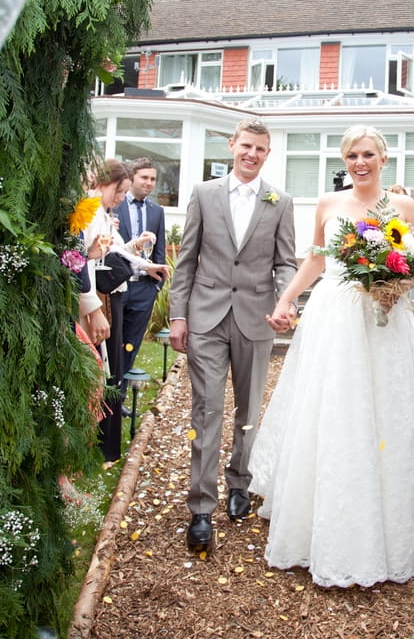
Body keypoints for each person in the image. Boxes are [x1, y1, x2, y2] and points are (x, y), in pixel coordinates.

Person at [248, 125, 414, 588]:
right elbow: (315, 258)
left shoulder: (404, 207)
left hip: (385, 324)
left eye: (368, 154)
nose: (360, 162)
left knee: (383, 416)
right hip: (334, 320)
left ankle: (386, 529)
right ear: (344, 161)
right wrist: (286, 299)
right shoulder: (329, 205)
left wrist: (396, 286)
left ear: (384, 159)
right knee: (333, 413)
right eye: (352, 155)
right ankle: (321, 524)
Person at [168, 119, 297, 553]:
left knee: (248, 409)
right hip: (205, 317)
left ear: (267, 153)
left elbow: (286, 262)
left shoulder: (280, 202)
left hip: (255, 318)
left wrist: (285, 300)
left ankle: (240, 481)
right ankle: (201, 508)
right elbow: (186, 260)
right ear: (232, 146)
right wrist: (178, 316)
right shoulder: (204, 194)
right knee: (206, 411)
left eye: (260, 148)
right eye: (246, 146)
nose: (251, 154)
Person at [85, 159, 169, 464]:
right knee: (106, 369)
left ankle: (105, 444)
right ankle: (99, 442)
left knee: (116, 367)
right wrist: (93, 307)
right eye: (118, 192)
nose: (120, 199)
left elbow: (119, 249)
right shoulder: (93, 211)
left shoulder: (106, 213)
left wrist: (149, 265)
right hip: (103, 298)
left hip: (123, 295)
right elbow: (86, 257)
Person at [116, 157, 166, 411]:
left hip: (144, 289)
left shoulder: (157, 211)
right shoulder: (115, 205)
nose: (149, 183)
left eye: (153, 179)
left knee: (131, 344)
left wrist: (156, 288)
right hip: (117, 286)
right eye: (144, 177)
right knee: (113, 342)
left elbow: (160, 251)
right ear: (132, 177)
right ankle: (104, 396)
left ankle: (120, 398)